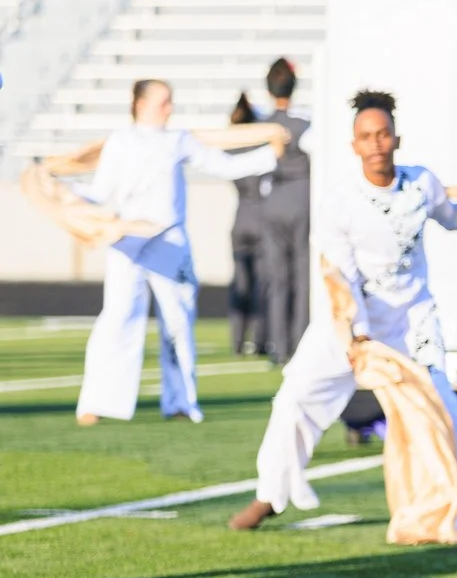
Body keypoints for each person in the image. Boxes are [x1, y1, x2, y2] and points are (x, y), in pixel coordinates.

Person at [229, 91, 457, 537]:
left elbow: (452, 215)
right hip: (347, 324)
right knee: (295, 397)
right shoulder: (339, 201)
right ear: (354, 145)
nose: (376, 144)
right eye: (366, 136)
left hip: (412, 321)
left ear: (396, 139)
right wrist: (355, 337)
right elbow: (338, 276)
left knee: (442, 405)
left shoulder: (422, 182)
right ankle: (270, 494)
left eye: (383, 134)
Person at [75, 80, 287, 426]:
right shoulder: (119, 142)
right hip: (126, 241)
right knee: (117, 319)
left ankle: (181, 402)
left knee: (177, 322)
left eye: (170, 102)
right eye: (163, 102)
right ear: (140, 104)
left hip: (169, 242)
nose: (169, 109)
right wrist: (61, 194)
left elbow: (222, 165)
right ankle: (97, 402)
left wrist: (269, 155)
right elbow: (99, 192)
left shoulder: (178, 140)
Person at [258, 57, 315, 364]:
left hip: (272, 202)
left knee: (276, 277)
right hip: (302, 199)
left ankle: (278, 346)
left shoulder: (262, 126)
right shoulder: (305, 124)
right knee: (303, 274)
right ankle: (301, 344)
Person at [226, 94, 269, 356]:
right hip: (261, 219)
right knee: (261, 283)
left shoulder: (232, 149)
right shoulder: (259, 150)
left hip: (240, 218)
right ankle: (260, 339)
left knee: (240, 283)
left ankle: (237, 339)